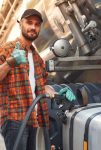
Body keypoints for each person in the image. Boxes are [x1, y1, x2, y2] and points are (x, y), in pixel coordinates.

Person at [0, 9, 76, 150]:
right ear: (20, 24)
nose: (33, 27)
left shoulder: (37, 59)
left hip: (34, 120)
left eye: (37, 24)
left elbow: (42, 87)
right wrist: (9, 63)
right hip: (14, 119)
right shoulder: (6, 49)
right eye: (29, 23)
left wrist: (58, 94)